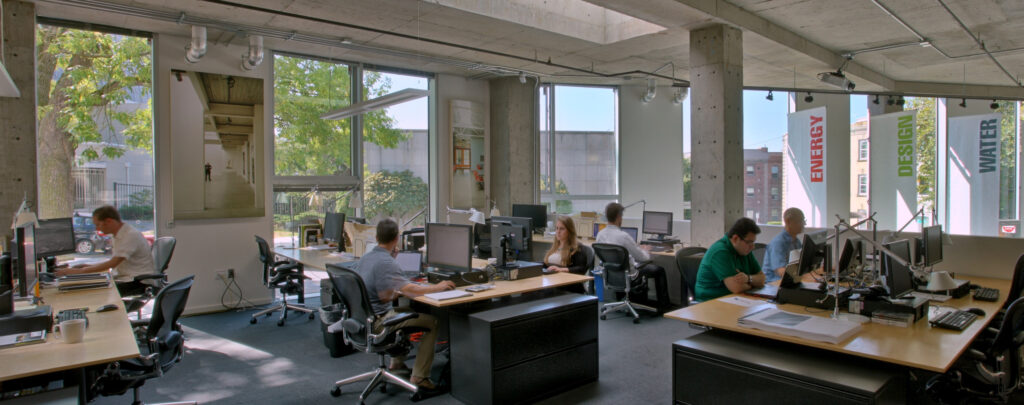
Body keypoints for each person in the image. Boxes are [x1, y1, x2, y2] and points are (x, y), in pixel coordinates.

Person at [345, 218, 455, 390]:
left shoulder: (366, 258)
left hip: (365, 319)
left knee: (409, 309)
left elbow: (383, 295)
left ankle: (396, 364)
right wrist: (438, 287)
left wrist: (396, 289)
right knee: (432, 322)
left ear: (376, 237)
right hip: (378, 322)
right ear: (397, 238)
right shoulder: (387, 262)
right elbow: (411, 290)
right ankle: (420, 377)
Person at [596, 202, 671, 311]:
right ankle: (664, 307)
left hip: (611, 276)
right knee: (659, 270)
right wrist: (644, 250)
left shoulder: (600, 235)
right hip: (629, 276)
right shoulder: (623, 236)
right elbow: (643, 258)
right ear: (618, 217)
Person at [57, 205, 154, 283]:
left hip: (137, 282)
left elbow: (113, 263)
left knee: (93, 290)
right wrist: (87, 266)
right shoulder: (117, 234)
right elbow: (113, 262)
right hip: (125, 278)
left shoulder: (129, 235)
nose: (97, 229)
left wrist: (79, 272)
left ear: (109, 221)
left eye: (98, 224)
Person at [695, 217, 766, 301]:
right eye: (749, 242)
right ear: (735, 239)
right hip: (709, 301)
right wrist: (754, 283)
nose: (753, 247)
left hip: (734, 298)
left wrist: (747, 278)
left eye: (753, 242)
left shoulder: (745, 251)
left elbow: (762, 279)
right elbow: (737, 288)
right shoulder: (720, 252)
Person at [543, 216, 588, 294]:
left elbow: (581, 269)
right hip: (552, 282)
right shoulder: (555, 246)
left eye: (562, 229)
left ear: (570, 231)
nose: (558, 231)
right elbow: (546, 264)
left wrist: (561, 269)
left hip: (568, 286)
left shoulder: (577, 248)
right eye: (557, 228)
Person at [761, 208, 805, 283]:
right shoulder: (778, 243)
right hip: (773, 284)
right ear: (788, 221)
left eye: (803, 221)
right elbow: (781, 271)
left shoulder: (797, 242)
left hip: (788, 282)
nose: (804, 224)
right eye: (800, 221)